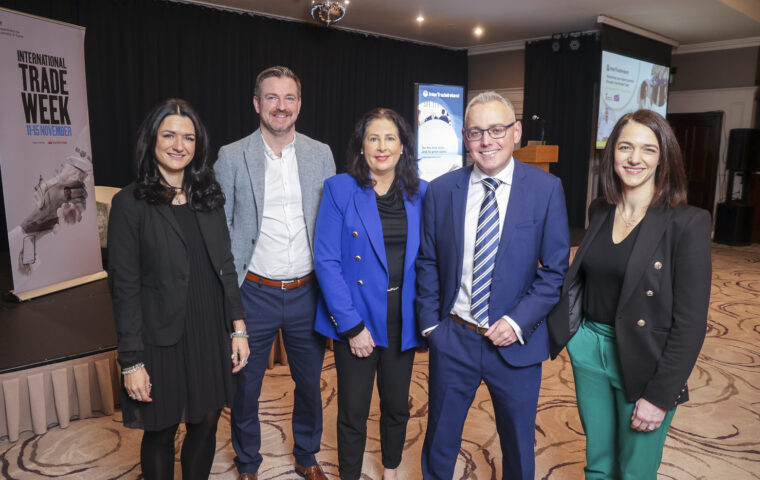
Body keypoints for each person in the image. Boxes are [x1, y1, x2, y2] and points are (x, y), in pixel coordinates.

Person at [547, 109, 712, 479]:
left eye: (648, 149)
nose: (634, 158)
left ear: (663, 157)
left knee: (635, 469)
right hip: (589, 348)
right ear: (612, 154)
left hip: (644, 356)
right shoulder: (601, 209)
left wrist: (659, 395)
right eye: (625, 147)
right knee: (599, 461)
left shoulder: (688, 223)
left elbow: (690, 324)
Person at [416, 91, 570, 480]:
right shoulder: (441, 190)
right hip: (454, 338)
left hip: (515, 344)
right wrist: (432, 326)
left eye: (497, 129)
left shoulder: (546, 189)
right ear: (465, 138)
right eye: (476, 132)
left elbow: (554, 272)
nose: (487, 141)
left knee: (518, 445)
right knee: (440, 439)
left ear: (516, 132)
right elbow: (429, 262)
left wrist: (517, 323)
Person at [108, 98, 249, 480]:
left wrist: (238, 327)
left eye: (188, 137)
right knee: (161, 431)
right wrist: (132, 361)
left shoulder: (208, 197)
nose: (179, 145)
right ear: (152, 140)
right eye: (169, 135)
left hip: (208, 330)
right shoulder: (129, 204)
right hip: (159, 338)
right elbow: (125, 289)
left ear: (197, 145)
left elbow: (226, 266)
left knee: (205, 423)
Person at [214, 66, 335, 480]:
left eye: (289, 98)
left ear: (299, 104)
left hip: (307, 291)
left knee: (310, 384)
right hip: (254, 293)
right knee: (245, 388)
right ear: (256, 103)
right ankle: (248, 463)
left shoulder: (321, 154)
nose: (280, 106)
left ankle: (306, 455)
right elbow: (220, 230)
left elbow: (332, 225)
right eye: (271, 97)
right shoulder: (232, 156)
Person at [313, 108, 427, 480]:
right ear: (361, 147)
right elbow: (327, 260)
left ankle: (390, 470)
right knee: (353, 411)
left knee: (397, 406)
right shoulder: (339, 189)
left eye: (390, 138)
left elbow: (431, 258)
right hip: (357, 318)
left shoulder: (421, 192)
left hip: (402, 318)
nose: (382, 146)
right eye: (373, 138)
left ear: (403, 147)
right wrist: (351, 326)